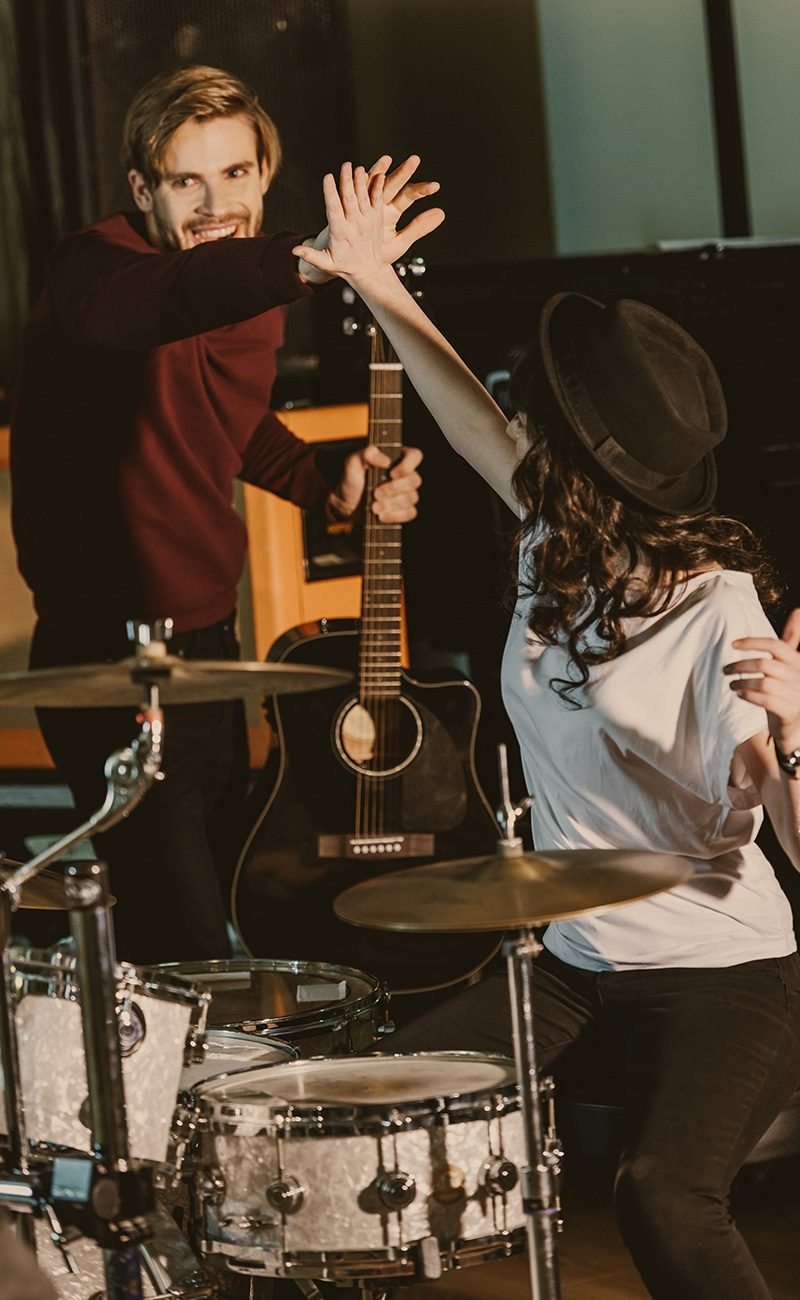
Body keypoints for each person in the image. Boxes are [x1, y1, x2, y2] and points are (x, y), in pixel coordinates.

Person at [296, 164, 800, 1299]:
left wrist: (796, 730)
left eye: (538, 412)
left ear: (580, 461)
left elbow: (793, 832)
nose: (514, 417)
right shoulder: (553, 540)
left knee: (660, 1193)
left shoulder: (717, 613)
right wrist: (374, 279)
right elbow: (464, 409)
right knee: (361, 1099)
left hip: (722, 969)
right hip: (574, 957)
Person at [9, 69, 441, 965]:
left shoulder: (247, 292)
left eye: (236, 174)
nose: (216, 206)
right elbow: (154, 305)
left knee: (234, 906)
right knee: (189, 947)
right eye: (186, 181)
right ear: (142, 190)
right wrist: (304, 262)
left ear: (265, 174)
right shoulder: (93, 269)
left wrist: (329, 482)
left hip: (208, 650)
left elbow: (229, 417)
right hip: (113, 667)